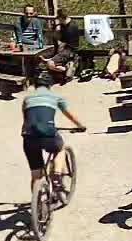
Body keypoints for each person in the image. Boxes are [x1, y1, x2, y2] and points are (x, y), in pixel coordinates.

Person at [20, 63, 87, 192]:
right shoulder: (56, 97)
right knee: (60, 148)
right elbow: (70, 115)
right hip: (47, 132)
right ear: (50, 85)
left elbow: (26, 118)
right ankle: (56, 175)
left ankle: (37, 205)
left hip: (28, 135)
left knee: (35, 174)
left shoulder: (27, 99)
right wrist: (81, 126)